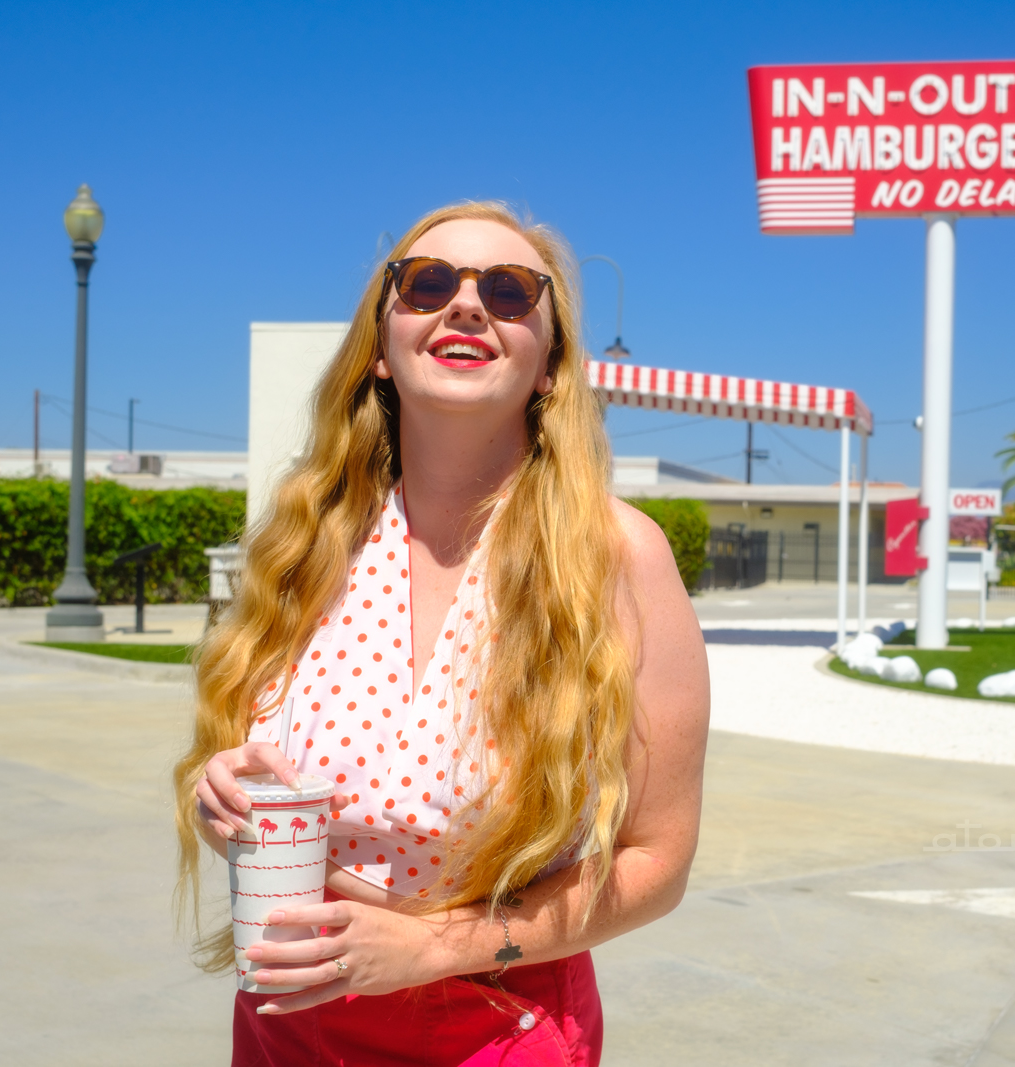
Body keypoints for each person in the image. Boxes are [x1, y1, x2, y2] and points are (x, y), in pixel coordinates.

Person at [173, 201, 710, 1066]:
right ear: (381, 350)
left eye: (508, 291)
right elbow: (256, 783)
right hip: (290, 1018)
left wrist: (434, 949)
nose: (466, 305)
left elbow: (658, 861)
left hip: (499, 1024)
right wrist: (224, 798)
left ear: (549, 368)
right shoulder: (308, 543)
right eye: (427, 285)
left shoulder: (616, 554)